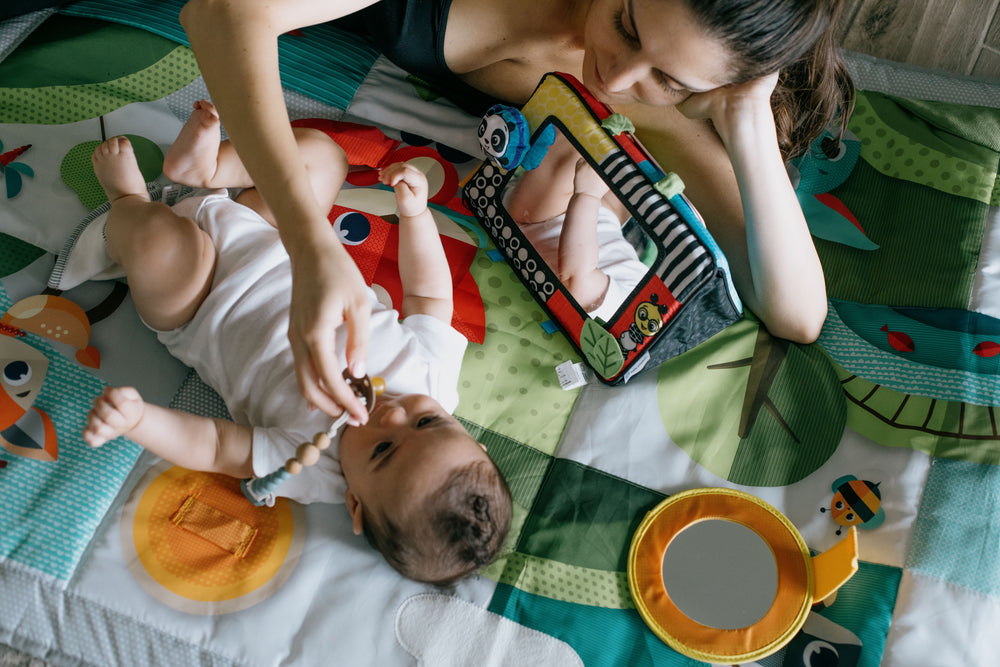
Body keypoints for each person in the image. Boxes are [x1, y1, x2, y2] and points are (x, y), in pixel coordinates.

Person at [178, 0, 854, 420]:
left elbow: (796, 313)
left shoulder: (665, 108)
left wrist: (746, 119)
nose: (618, 79)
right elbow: (224, 13)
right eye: (626, 23)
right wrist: (310, 245)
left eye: (669, 79)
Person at [79, 102, 512, 585]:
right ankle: (209, 168)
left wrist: (141, 421)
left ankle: (127, 200)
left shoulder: (311, 466)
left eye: (383, 449)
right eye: (427, 421)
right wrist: (414, 216)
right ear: (465, 431)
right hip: (276, 233)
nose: (392, 413)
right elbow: (428, 294)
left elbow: (216, 445)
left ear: (354, 503)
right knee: (323, 158)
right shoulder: (434, 374)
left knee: (156, 242)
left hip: (197, 296)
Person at [506, 141, 646, 322]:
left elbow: (576, 279)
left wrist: (588, 194)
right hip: (603, 221)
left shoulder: (628, 318)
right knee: (636, 177)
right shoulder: (653, 304)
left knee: (579, 146)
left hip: (541, 223)